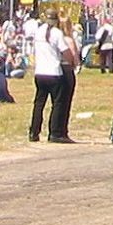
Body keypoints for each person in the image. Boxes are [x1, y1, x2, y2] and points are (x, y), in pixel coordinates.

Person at [28, 13, 76, 142]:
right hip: (54, 72)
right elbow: (66, 52)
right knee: (58, 104)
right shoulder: (56, 33)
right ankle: (55, 133)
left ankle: (34, 131)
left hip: (40, 72)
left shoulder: (38, 31)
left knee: (39, 103)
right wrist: (71, 62)